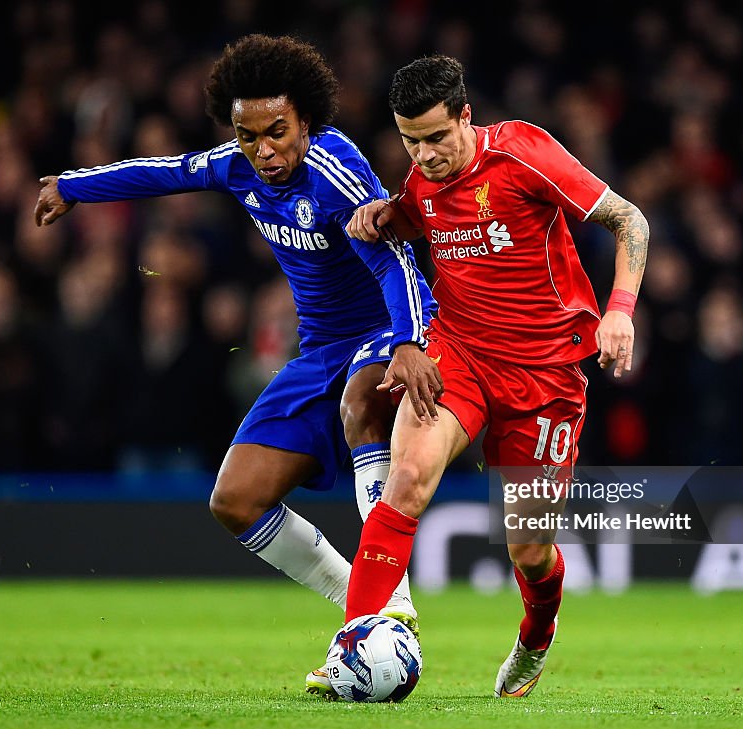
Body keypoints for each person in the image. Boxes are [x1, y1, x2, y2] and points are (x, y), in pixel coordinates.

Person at [34, 35, 442, 694]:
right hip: (320, 351)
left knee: (361, 403)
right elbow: (166, 171)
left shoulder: (337, 169)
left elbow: (393, 259)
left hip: (387, 329)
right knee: (235, 500)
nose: (265, 151)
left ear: (306, 120)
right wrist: (74, 187)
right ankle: (362, 608)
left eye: (278, 132)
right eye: (249, 136)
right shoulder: (239, 165)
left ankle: (387, 602)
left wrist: (408, 343)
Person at [341, 55, 649, 697]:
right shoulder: (422, 183)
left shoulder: (522, 154)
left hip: (547, 376)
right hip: (460, 356)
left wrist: (619, 313)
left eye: (435, 137)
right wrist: (373, 218)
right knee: (407, 479)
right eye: (410, 141)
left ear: (465, 116)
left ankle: (536, 639)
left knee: (529, 552)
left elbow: (630, 220)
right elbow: (407, 217)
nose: (424, 156)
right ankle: (354, 647)